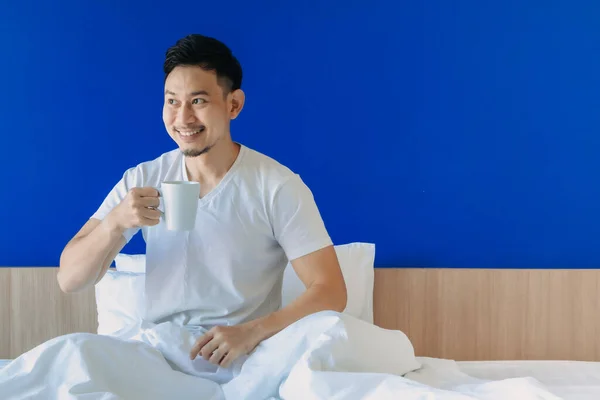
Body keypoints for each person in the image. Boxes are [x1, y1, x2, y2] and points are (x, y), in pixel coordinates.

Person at [57, 34, 347, 370]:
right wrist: (114, 223)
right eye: (172, 102)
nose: (183, 119)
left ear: (233, 104)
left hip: (240, 360)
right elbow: (69, 280)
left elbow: (330, 291)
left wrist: (250, 332)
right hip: (157, 356)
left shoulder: (276, 187)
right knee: (68, 361)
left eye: (198, 101)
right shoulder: (143, 178)